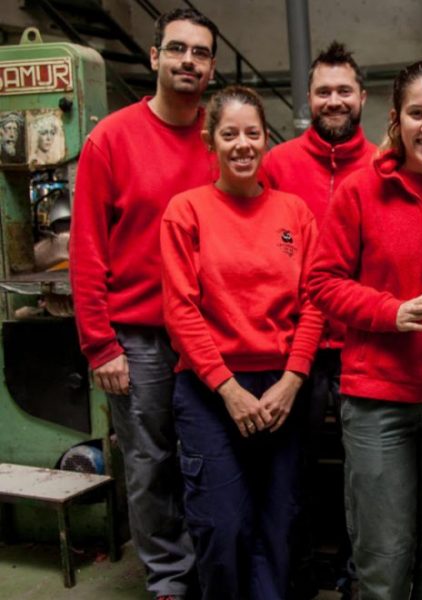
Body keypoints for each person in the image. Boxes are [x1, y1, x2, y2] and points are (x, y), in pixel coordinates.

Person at [308, 60, 422, 600]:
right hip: (378, 402)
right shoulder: (361, 192)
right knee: (384, 556)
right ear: (396, 119)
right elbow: (322, 282)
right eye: (417, 113)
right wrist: (389, 312)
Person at [69, 8, 218, 599]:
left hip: (210, 332)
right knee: (151, 461)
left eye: (200, 52)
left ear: (211, 67)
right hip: (139, 338)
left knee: (207, 454)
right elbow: (86, 250)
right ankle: (170, 579)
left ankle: (212, 565)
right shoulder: (111, 139)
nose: (188, 61)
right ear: (155, 56)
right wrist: (100, 345)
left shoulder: (221, 137)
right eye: (177, 49)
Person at [160, 85, 323, 599]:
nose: (242, 145)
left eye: (252, 133)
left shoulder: (295, 213)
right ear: (211, 141)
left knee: (280, 521)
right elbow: (180, 310)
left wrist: (292, 380)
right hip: (210, 392)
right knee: (222, 524)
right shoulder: (186, 211)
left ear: (266, 138)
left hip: (281, 391)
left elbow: (314, 301)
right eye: (229, 134)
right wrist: (228, 389)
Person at [260, 39, 376, 596]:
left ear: (363, 98)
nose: (334, 100)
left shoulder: (382, 164)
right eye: (324, 91)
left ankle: (357, 574)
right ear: (308, 97)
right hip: (293, 348)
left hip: (362, 345)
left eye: (344, 91)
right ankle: (300, 571)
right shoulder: (276, 165)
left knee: (366, 472)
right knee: (293, 468)